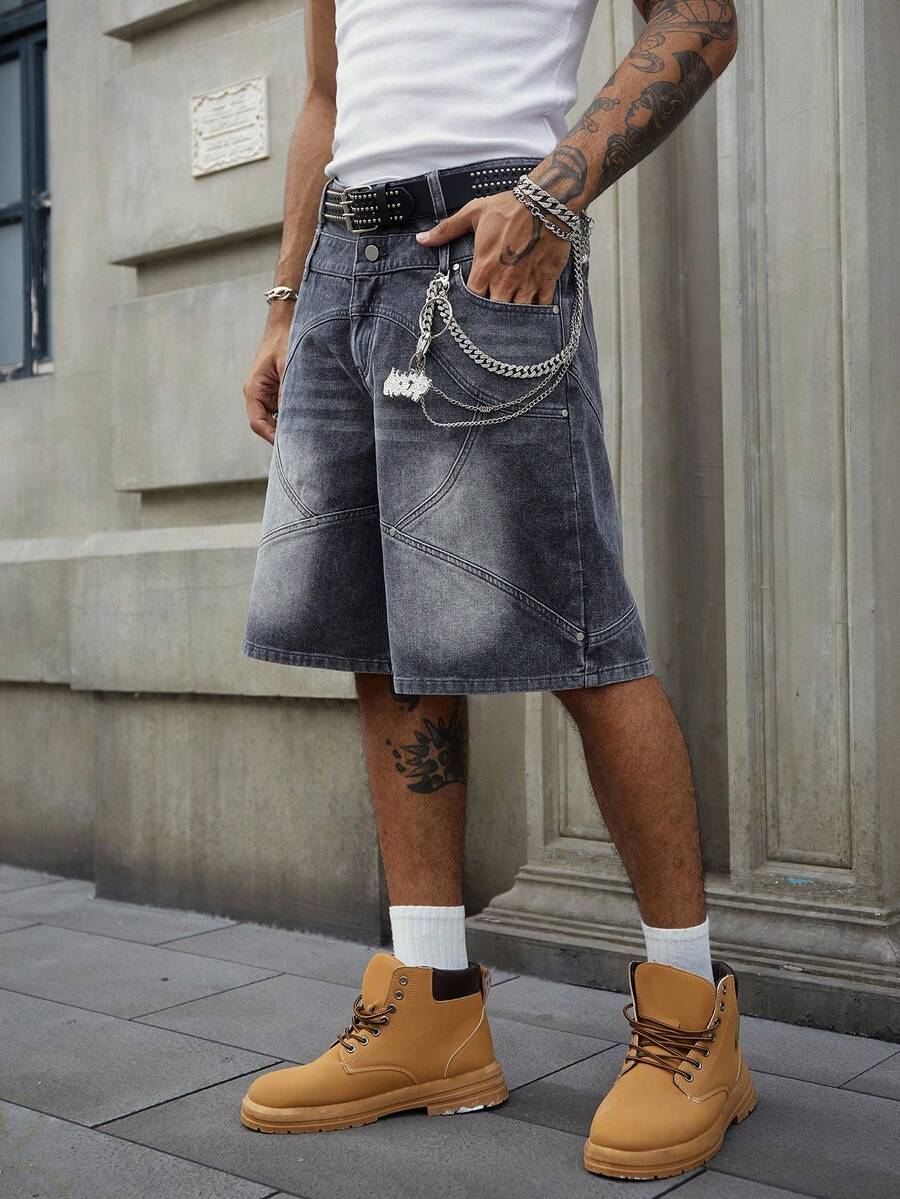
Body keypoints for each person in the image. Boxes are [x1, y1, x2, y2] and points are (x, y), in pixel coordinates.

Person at [239, 0, 754, 1179]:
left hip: (485, 243)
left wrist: (553, 195)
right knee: (380, 633)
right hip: (341, 271)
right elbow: (326, 95)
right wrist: (285, 300)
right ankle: (431, 1006)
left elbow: (700, 20)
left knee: (580, 633)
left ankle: (693, 1018)